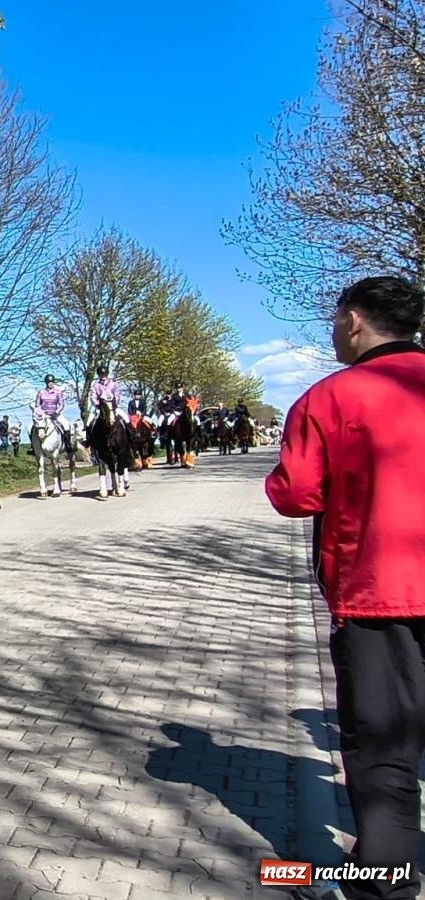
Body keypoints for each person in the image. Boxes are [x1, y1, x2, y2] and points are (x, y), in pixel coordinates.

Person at [266, 275, 425, 900]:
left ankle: (381, 886)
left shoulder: (330, 398)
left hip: (378, 593)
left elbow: (296, 493)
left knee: (384, 749)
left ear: (354, 320)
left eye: (335, 320)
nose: (333, 331)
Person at [32, 374, 74, 451]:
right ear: (46, 383)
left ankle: (68, 445)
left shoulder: (58, 392)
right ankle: (33, 447)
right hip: (44, 415)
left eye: (52, 382)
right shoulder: (41, 392)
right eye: (49, 382)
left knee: (66, 425)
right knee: (31, 427)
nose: (50, 383)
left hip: (55, 415)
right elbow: (37, 405)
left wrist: (56, 412)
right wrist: (41, 413)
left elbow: (61, 404)